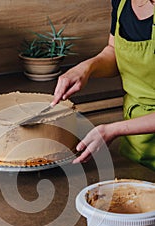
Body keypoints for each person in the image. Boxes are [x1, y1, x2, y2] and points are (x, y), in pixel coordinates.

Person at [52, 0, 155, 171]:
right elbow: (113, 50)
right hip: (136, 147)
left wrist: (113, 130)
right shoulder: (122, 2)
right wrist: (87, 68)